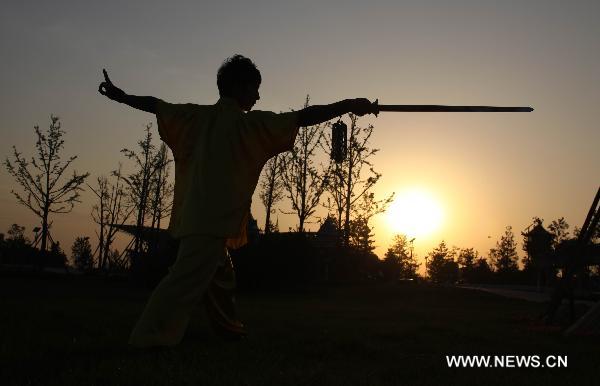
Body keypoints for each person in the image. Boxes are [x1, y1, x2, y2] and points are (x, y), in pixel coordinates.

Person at [98, 54, 375, 348]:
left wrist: (123, 97)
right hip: (211, 222)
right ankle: (148, 340)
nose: (258, 95)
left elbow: (156, 104)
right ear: (240, 87)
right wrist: (347, 105)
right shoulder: (248, 125)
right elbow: (303, 117)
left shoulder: (197, 116)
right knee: (183, 281)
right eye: (254, 88)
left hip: (199, 218)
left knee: (221, 279)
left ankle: (229, 334)